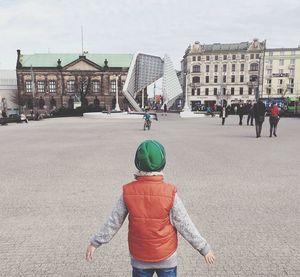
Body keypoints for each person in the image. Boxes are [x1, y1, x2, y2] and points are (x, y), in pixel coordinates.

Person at [86, 140, 215, 277]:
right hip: (167, 257)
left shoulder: (128, 192)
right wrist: (204, 248)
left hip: (140, 257)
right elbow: (185, 224)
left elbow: (113, 222)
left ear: (137, 163)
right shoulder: (169, 193)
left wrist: (95, 242)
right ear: (163, 163)